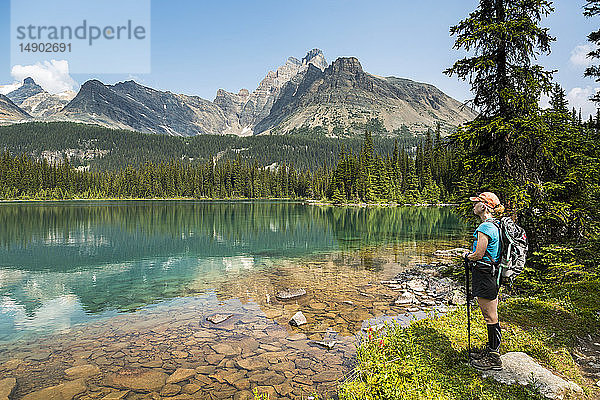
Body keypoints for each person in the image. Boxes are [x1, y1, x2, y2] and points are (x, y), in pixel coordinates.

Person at [465, 191, 504, 370]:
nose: (473, 205)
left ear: (484, 206)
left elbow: (479, 254)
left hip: (485, 274)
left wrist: (468, 256)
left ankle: (494, 358)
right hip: (492, 275)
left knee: (490, 316)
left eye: (476, 203)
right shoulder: (494, 225)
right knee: (492, 314)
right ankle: (490, 350)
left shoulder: (485, 228)